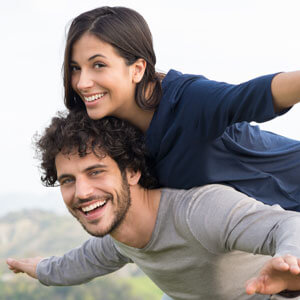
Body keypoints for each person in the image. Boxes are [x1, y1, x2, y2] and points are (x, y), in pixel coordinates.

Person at [6, 110, 300, 300]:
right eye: (68, 180)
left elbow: (287, 224)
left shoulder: (197, 212)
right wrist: (39, 269)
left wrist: (289, 259)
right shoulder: (120, 238)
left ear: (132, 171)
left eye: (96, 172)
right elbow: (78, 264)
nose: (81, 192)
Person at [62, 6, 300, 213]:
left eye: (98, 65)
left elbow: (252, 95)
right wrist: (52, 266)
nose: (82, 83)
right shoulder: (107, 133)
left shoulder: (189, 101)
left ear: (137, 69)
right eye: (75, 68)